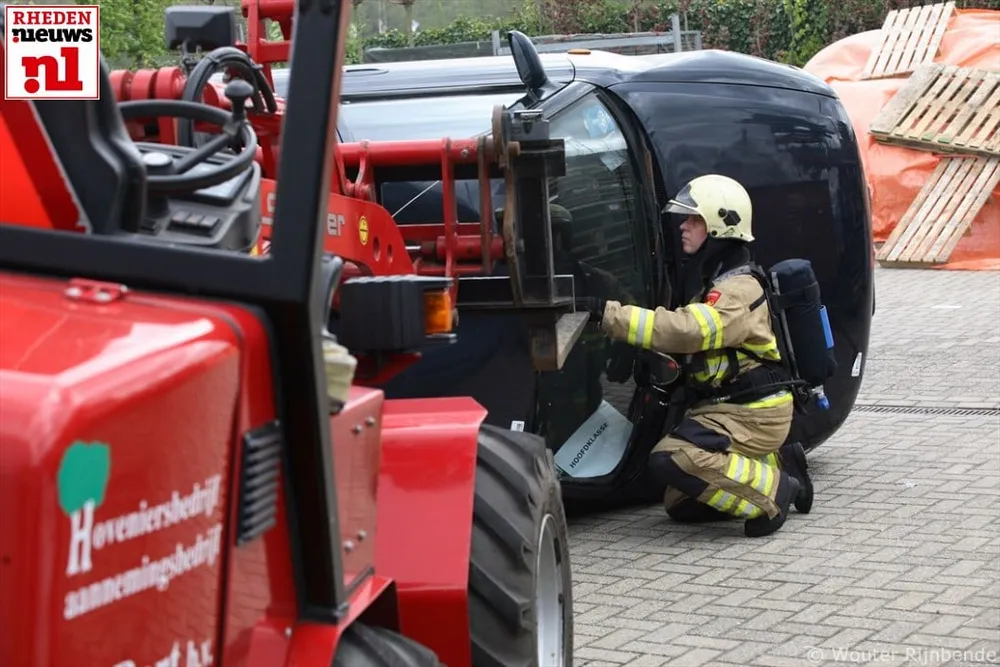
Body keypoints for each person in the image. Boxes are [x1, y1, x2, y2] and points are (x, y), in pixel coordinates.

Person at [577, 174, 813, 537]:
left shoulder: (736, 291)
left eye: (694, 219)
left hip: (753, 412)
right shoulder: (718, 280)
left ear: (720, 226)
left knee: (673, 457)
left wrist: (608, 315)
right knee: (681, 503)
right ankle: (780, 462)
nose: (683, 227)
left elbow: (690, 331)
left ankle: (775, 491)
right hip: (730, 406)